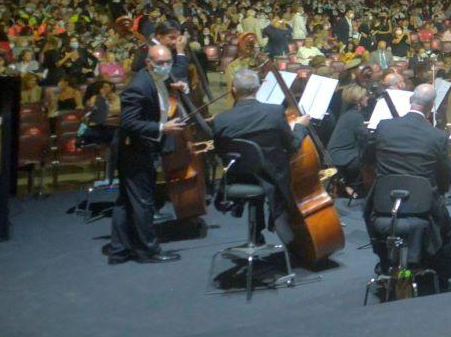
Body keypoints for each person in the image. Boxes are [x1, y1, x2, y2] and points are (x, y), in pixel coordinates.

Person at [367, 82, 451, 289]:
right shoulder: (437, 135)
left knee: (370, 210)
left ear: (410, 100)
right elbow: (445, 176)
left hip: (384, 204)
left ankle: (385, 261)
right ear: (432, 107)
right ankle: (442, 277)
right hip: (421, 206)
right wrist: (440, 191)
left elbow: (367, 158)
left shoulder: (384, 127)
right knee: (447, 227)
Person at [210, 67, 306, 252]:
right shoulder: (274, 112)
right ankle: (290, 239)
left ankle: (256, 236)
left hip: (239, 179)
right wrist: (301, 127)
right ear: (258, 89)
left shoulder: (221, 120)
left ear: (233, 90)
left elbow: (221, 153)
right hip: (273, 179)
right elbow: (292, 145)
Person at [109, 44, 188, 264]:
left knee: (126, 201)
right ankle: (148, 251)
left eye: (168, 62)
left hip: (140, 147)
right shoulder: (139, 86)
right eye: (160, 63)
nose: (165, 67)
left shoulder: (157, 78)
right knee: (143, 202)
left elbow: (165, 93)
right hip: (133, 149)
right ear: (148, 63)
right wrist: (163, 128)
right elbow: (129, 122)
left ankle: (119, 250)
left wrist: (180, 88)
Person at [323, 84, 370, 192]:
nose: (368, 98)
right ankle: (362, 191)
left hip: (335, 155)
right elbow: (366, 138)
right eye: (365, 96)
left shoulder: (348, 113)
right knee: (371, 158)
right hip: (343, 157)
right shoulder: (355, 116)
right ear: (359, 100)